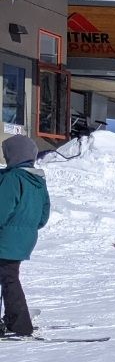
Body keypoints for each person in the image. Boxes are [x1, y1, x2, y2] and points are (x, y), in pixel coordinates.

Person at [0, 135, 50, 338]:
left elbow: (1, 209)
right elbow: (43, 216)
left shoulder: (13, 179)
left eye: (6, 154)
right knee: (9, 276)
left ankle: (20, 324)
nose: (5, 157)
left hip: (6, 239)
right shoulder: (38, 180)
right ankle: (15, 319)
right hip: (24, 240)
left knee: (9, 278)